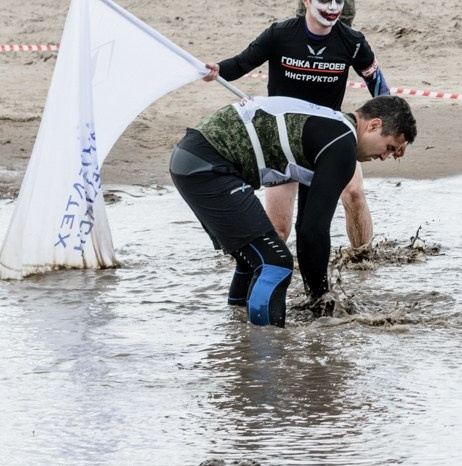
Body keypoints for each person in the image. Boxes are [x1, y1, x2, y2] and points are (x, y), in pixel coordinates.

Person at [169, 94, 417, 327]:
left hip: (192, 158)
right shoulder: (341, 143)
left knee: (252, 261)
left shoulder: (332, 128)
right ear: (373, 125)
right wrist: (321, 300)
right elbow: (313, 231)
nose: (386, 157)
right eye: (390, 147)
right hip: (208, 165)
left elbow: (308, 228)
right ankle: (268, 353)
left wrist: (317, 297)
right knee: (275, 262)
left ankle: (238, 337)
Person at [203, 0, 393, 249]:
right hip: (282, 141)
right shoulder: (280, 35)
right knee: (279, 230)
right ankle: (262, 272)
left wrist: (389, 123)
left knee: (353, 194)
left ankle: (364, 261)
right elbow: (241, 63)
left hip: (329, 137)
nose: (333, 7)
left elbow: (378, 85)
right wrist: (216, 68)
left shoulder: (352, 42)